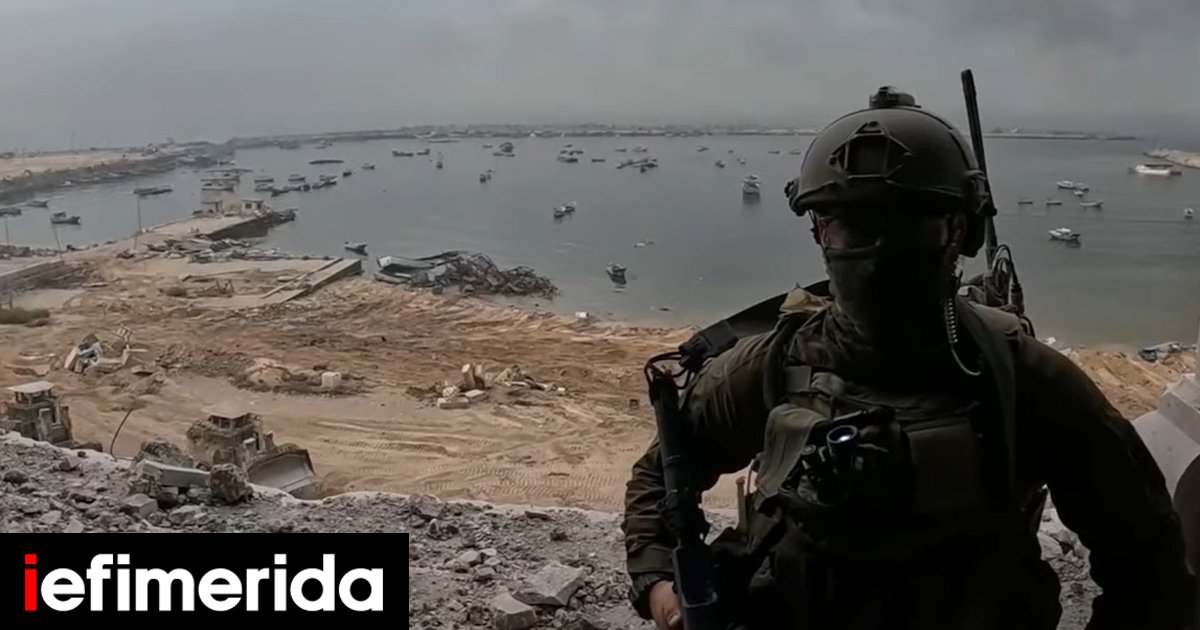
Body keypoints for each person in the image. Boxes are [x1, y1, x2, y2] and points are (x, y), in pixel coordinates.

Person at [621, 87, 1196, 630]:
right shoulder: (777, 362)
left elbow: (1146, 555)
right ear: (820, 233)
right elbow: (665, 468)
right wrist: (662, 582)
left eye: (911, 224)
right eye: (854, 225)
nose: (880, 253)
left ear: (962, 232)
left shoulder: (1022, 379)